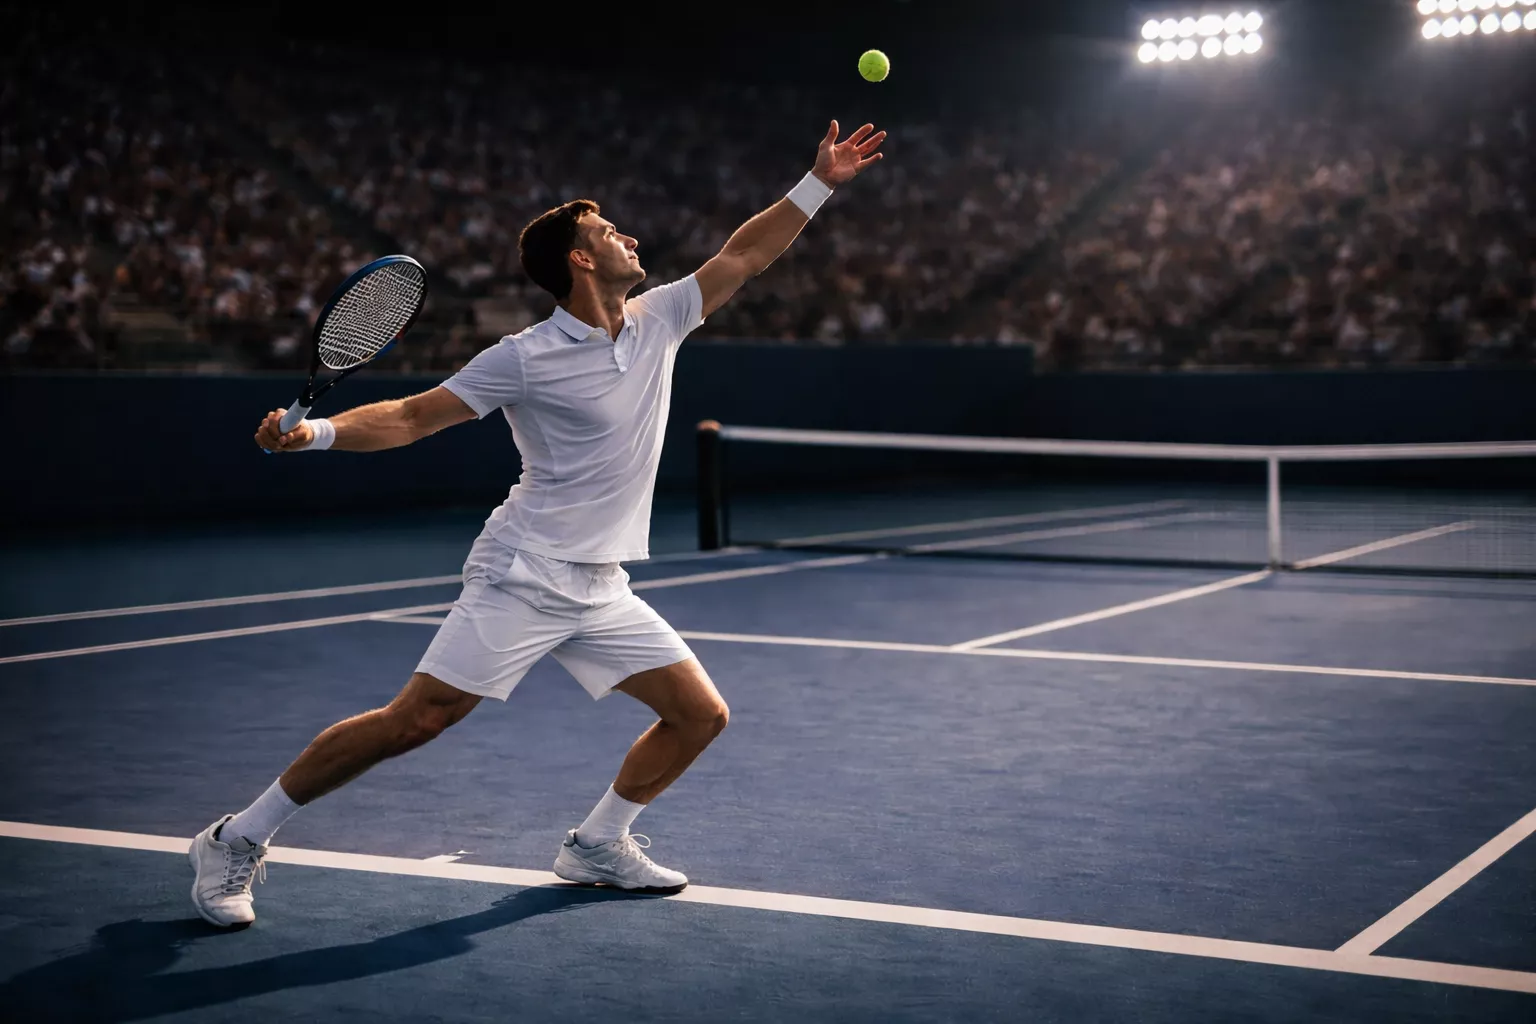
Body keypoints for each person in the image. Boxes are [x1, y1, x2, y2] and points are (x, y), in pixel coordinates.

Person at [189, 120, 886, 926]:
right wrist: (310, 432)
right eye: (606, 231)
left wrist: (819, 184)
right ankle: (235, 837)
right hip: (525, 571)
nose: (627, 236)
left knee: (699, 715)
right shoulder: (523, 355)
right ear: (580, 260)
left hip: (600, 582)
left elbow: (745, 254)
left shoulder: (662, 318)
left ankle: (596, 845)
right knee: (416, 721)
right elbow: (415, 417)